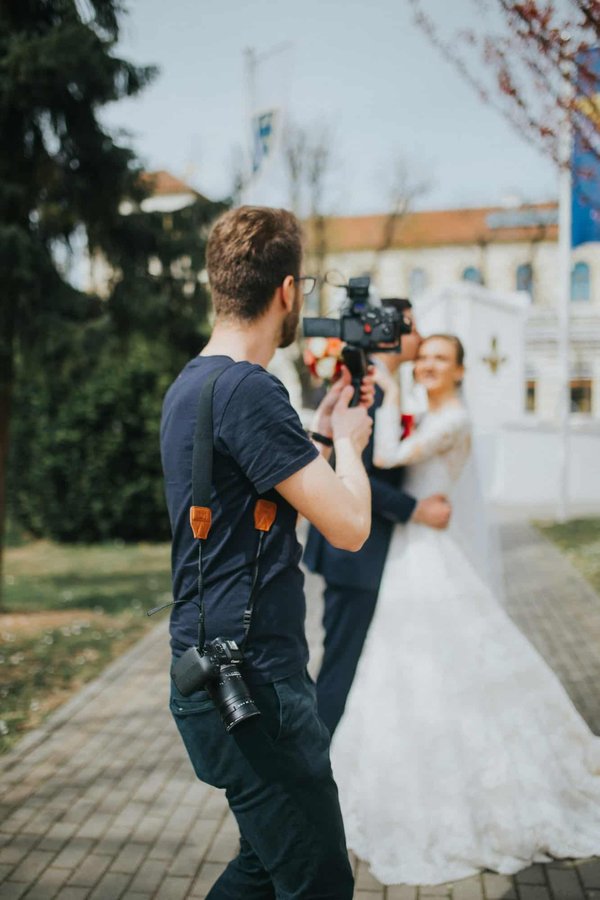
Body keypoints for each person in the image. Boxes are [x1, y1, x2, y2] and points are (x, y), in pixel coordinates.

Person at [160, 206, 375, 899]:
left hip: (204, 674)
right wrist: (348, 444)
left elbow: (249, 487)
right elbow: (348, 527)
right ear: (288, 291)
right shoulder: (253, 389)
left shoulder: (192, 384)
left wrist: (313, 432)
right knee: (318, 884)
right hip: (258, 688)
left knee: (264, 866)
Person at [331, 334, 600, 886]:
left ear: (460, 370)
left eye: (440, 360)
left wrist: (385, 386)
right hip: (417, 547)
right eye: (423, 357)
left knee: (429, 662)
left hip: (430, 556)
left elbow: (383, 458)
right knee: (413, 667)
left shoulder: (452, 418)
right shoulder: (433, 414)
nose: (428, 365)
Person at [303, 301, 451, 735]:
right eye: (413, 327)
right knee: (341, 666)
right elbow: (357, 471)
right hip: (355, 555)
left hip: (375, 552)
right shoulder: (372, 392)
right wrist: (416, 509)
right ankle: (317, 754)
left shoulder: (386, 387)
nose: (420, 337)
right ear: (388, 332)